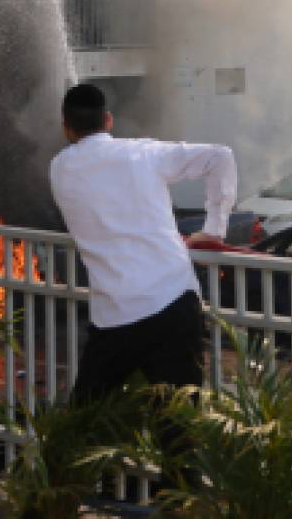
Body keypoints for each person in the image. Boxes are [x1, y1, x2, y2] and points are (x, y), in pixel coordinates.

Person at [51, 83, 237, 405]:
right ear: (108, 120)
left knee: (84, 422)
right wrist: (213, 230)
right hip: (172, 302)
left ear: (66, 127)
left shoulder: (59, 168)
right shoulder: (142, 153)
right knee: (179, 426)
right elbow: (221, 157)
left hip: (113, 316)